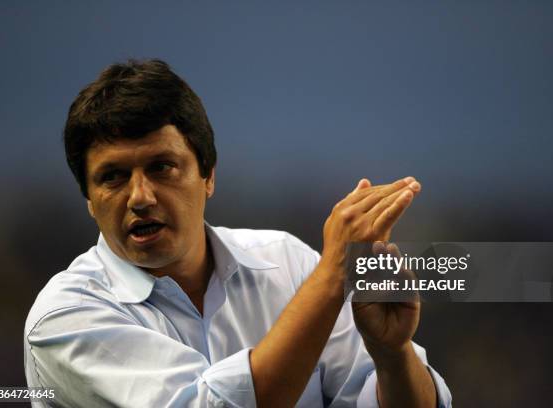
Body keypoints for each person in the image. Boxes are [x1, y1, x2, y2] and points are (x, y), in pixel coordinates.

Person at [24, 59, 452, 407]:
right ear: (89, 199)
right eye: (113, 177)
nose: (140, 197)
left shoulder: (288, 263)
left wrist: (392, 355)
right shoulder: (64, 316)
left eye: (162, 167)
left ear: (208, 175)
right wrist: (332, 273)